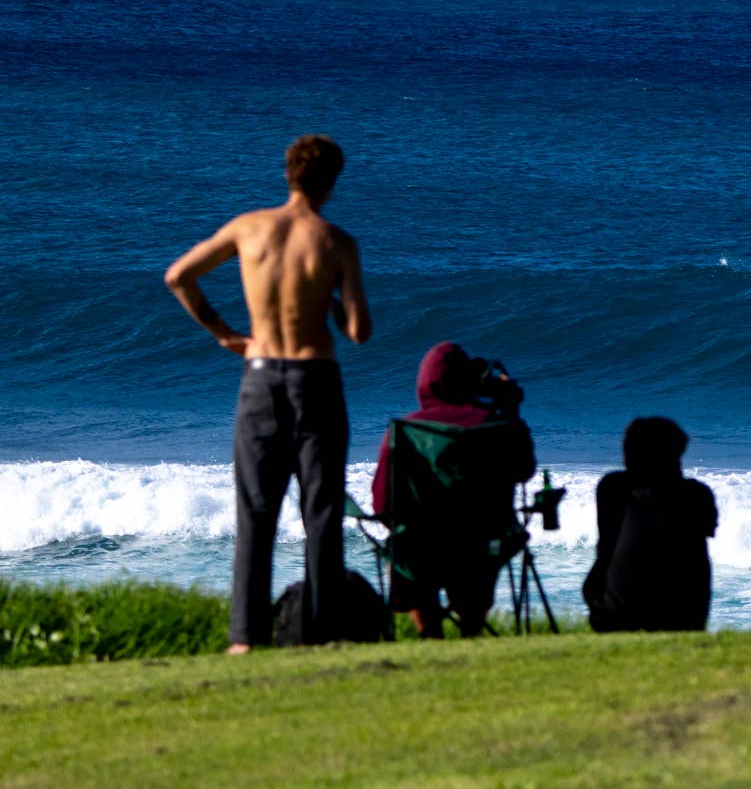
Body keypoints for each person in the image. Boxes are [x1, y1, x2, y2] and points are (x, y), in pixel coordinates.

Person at [164, 134, 373, 653]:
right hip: (315, 375)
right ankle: (325, 634)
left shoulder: (248, 227)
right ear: (331, 181)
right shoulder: (335, 242)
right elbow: (359, 330)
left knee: (256, 509)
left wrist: (224, 334)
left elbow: (179, 276)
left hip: (259, 374)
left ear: (288, 175)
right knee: (320, 509)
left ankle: (245, 639)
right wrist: (326, 299)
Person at [371, 341, 536, 637]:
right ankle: (471, 629)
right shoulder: (496, 426)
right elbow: (524, 470)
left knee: (412, 548)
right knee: (473, 552)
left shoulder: (406, 432)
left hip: (422, 550)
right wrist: (511, 410)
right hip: (483, 547)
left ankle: (430, 632)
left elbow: (383, 506)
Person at [584, 417, 718, 633]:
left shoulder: (612, 488)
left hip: (618, 614)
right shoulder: (697, 494)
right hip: (684, 612)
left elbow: (606, 549)